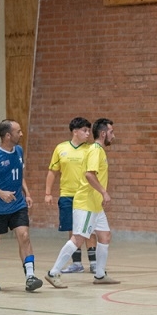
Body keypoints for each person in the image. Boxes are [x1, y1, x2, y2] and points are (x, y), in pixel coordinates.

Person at [45, 118, 120, 288]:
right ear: (103, 133)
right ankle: (53, 272)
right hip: (86, 203)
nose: (113, 136)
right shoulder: (95, 150)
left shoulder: (97, 150)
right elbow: (89, 175)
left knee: (105, 235)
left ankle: (100, 275)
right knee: (78, 239)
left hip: (95, 205)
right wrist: (104, 192)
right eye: (111, 132)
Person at [0, 119, 43, 292]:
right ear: (7, 135)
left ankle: (30, 277)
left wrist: (27, 193)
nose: (21, 134)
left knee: (24, 235)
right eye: (18, 131)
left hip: (17, 204)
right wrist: (0, 193)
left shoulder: (18, 150)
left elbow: (19, 175)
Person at [44, 117, 97, 274]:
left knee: (89, 229)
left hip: (86, 195)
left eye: (89, 130)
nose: (88, 133)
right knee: (72, 229)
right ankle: (76, 263)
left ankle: (94, 262)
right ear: (75, 132)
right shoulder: (61, 148)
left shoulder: (91, 149)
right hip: (67, 195)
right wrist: (48, 193)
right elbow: (53, 172)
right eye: (85, 130)